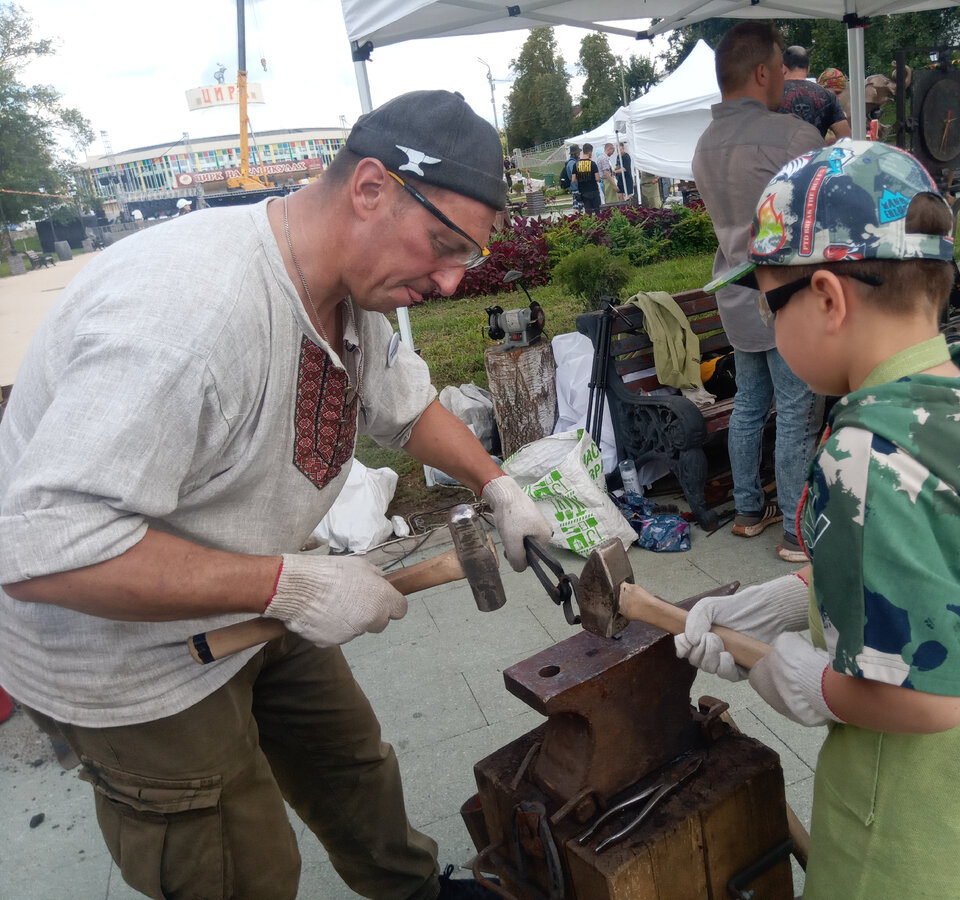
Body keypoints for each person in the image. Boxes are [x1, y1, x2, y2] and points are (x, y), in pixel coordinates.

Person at [0, 90, 552, 900]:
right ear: (370, 189)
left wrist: (496, 483)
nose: (447, 281)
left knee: (351, 763)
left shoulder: (347, 288)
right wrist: (291, 584)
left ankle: (414, 894)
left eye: (463, 256)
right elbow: (43, 549)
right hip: (127, 660)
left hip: (250, 587)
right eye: (441, 245)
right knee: (238, 863)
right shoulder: (189, 317)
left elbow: (406, 404)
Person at [675, 141, 960, 897]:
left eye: (769, 302)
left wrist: (803, 678)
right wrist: (800, 597)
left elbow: (929, 700)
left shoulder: (867, 451)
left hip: (924, 825)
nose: (765, 323)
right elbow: (940, 558)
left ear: (827, 297)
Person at [691, 22, 825, 562]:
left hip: (734, 290)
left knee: (749, 404)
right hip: (786, 293)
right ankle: (797, 532)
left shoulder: (703, 144)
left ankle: (750, 510)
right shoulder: (791, 134)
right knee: (797, 412)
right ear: (764, 71)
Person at [778, 45, 850, 143]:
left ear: (783, 68)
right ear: (808, 69)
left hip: (779, 157)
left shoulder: (772, 94)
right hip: (815, 157)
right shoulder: (828, 96)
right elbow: (846, 139)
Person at [572, 143, 603, 213]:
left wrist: (581, 178)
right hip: (593, 190)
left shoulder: (576, 164)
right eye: (591, 152)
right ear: (589, 152)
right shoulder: (592, 164)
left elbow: (573, 179)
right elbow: (597, 178)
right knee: (597, 211)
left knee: (588, 212)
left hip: (583, 192)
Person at [566, 144, 582, 210]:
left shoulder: (574, 162)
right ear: (574, 153)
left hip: (576, 186)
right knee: (578, 207)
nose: (579, 154)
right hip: (576, 187)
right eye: (578, 152)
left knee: (578, 206)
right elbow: (575, 175)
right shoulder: (572, 163)